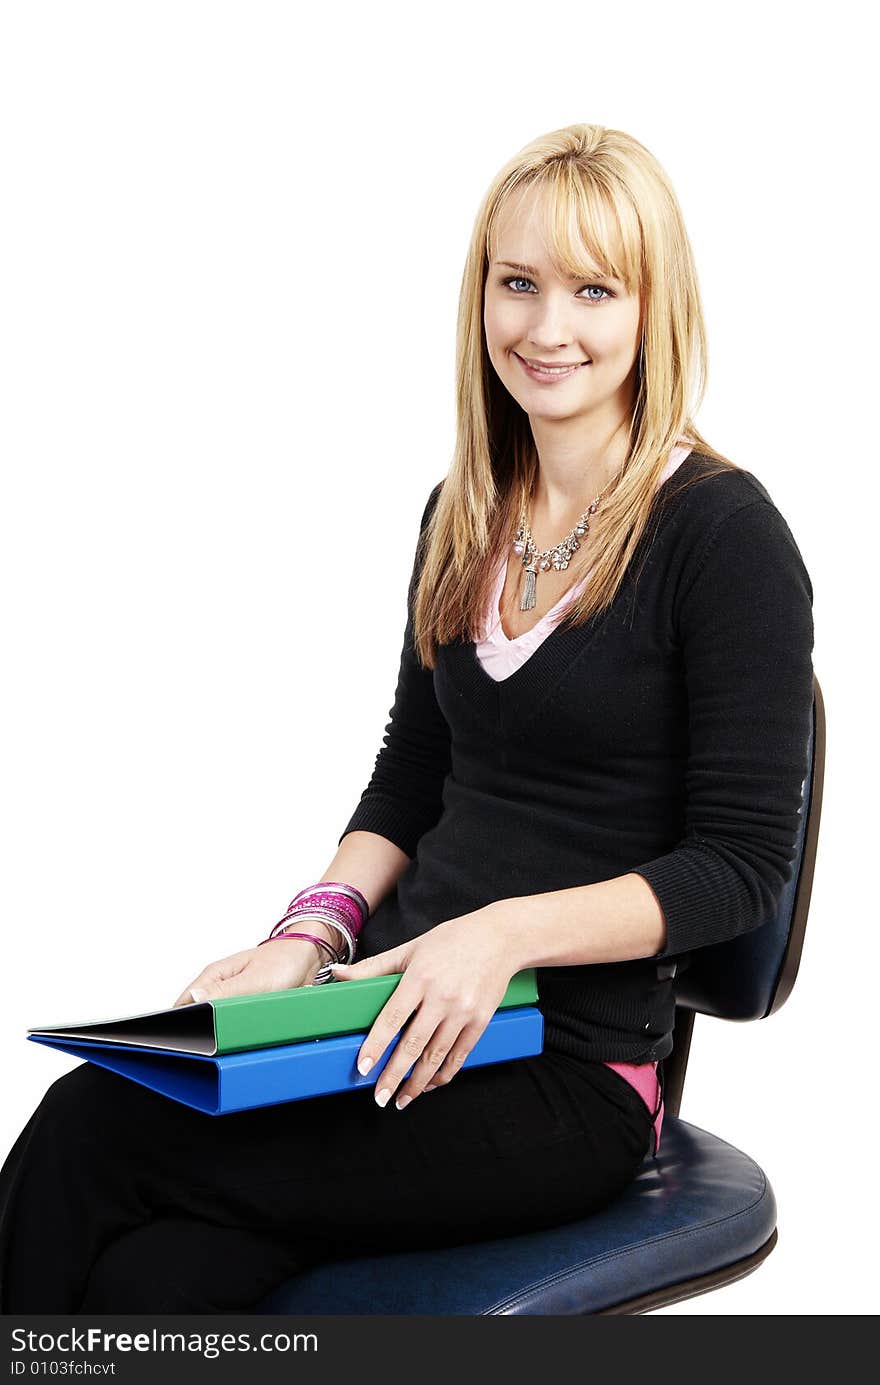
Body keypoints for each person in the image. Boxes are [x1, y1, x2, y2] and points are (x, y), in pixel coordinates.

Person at [0, 122, 814, 1314]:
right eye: (519, 282)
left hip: (565, 1071)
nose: (548, 327)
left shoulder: (724, 534)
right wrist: (305, 940)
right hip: (387, 1020)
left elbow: (741, 868)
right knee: (158, 1272)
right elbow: (409, 777)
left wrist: (499, 935)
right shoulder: (465, 510)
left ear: (653, 307)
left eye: (594, 289)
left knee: (93, 1128)